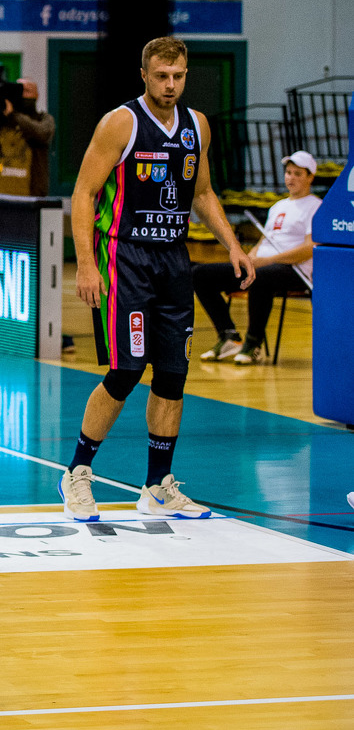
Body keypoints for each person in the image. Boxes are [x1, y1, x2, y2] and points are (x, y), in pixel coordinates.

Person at [65, 37, 253, 523]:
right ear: (145, 75)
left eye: (179, 76)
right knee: (126, 371)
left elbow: (203, 193)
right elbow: (84, 193)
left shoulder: (197, 126)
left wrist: (233, 245)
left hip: (173, 259)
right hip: (124, 256)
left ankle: (157, 487)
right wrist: (85, 263)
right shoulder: (120, 123)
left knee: (173, 375)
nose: (171, 85)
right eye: (162, 76)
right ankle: (78, 472)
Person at [195, 151, 320, 364]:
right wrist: (249, 260)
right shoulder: (278, 207)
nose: (291, 177)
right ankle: (228, 336)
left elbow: (310, 248)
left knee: (262, 277)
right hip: (262, 267)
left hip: (293, 271)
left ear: (310, 177)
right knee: (201, 274)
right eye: (288, 172)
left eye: (298, 174)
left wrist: (268, 261)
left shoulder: (315, 206)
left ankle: (253, 343)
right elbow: (264, 241)